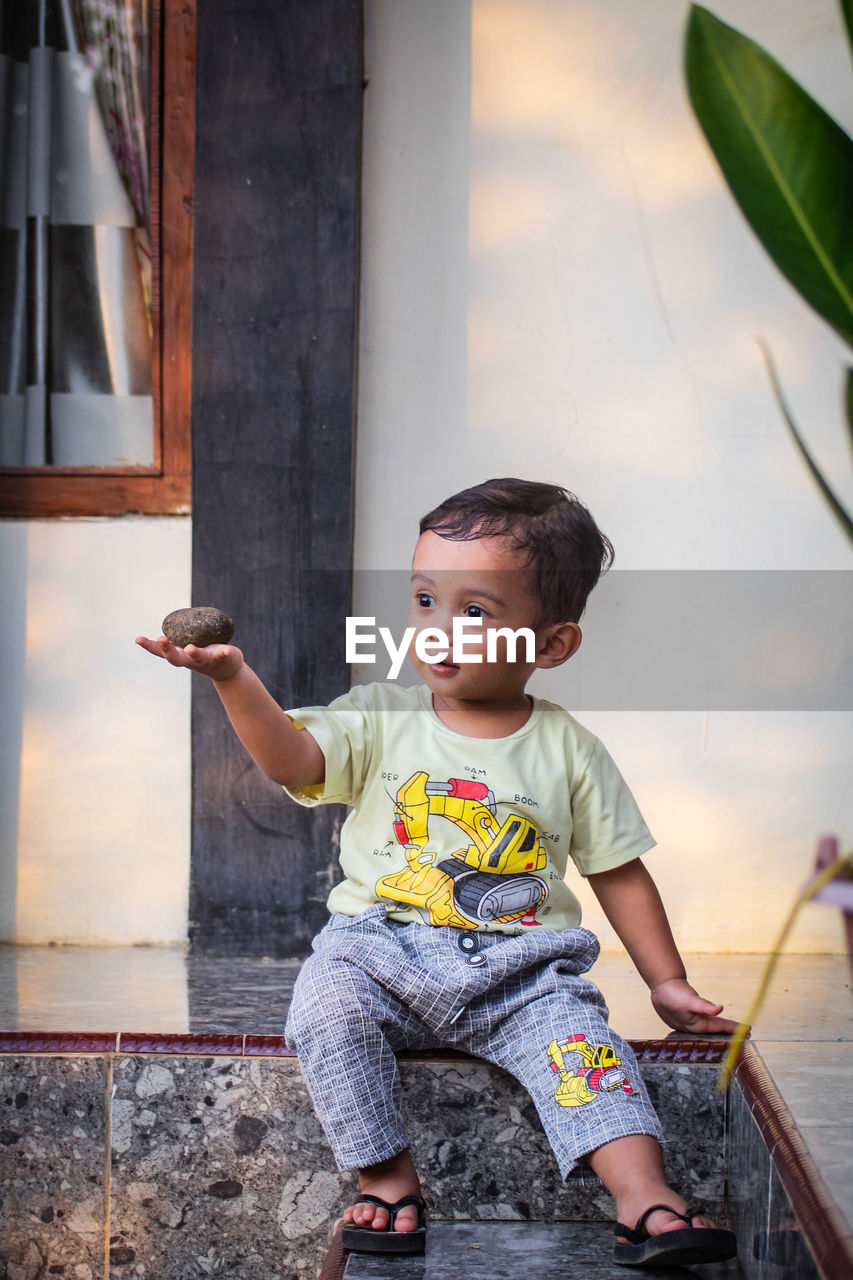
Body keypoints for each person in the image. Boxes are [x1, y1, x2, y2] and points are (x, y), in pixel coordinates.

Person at [137, 478, 738, 1268]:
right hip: (378, 952)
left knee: (583, 1046)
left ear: (550, 644)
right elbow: (292, 757)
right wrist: (231, 679)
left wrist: (666, 982)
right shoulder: (379, 715)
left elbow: (617, 872)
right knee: (322, 1009)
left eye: (475, 611)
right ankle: (387, 1179)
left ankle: (644, 1198)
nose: (438, 630)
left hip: (520, 972)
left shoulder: (569, 750)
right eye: (424, 600)